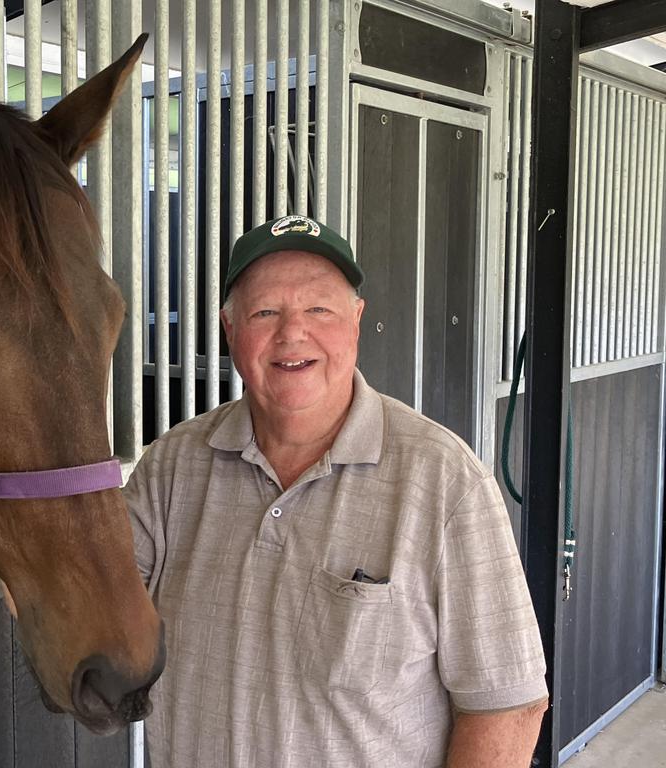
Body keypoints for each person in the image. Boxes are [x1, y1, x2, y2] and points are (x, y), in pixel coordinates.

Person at [125, 214, 549, 767]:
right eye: (264, 312)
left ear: (356, 319)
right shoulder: (173, 467)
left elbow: (507, 707)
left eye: (319, 309)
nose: (292, 333)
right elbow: (86, 591)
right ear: (231, 332)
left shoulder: (444, 481)